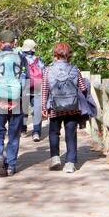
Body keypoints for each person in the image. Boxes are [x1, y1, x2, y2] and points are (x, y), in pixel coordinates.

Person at [40, 41, 90, 174]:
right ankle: (70, 163)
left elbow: (45, 89)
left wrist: (44, 106)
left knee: (53, 132)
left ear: (55, 54)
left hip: (54, 107)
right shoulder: (75, 69)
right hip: (72, 107)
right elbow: (83, 88)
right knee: (70, 134)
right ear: (68, 55)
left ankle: (55, 157)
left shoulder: (48, 70)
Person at [0, 30, 28, 176]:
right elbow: (26, 79)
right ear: (14, 43)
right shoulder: (21, 57)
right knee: (14, 134)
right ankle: (11, 166)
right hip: (17, 100)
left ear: (0, 43)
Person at [20, 39, 45, 142]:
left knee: (23, 109)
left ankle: (23, 130)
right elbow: (43, 71)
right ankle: (36, 133)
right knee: (37, 110)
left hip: (24, 86)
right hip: (37, 86)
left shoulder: (19, 59)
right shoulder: (38, 59)